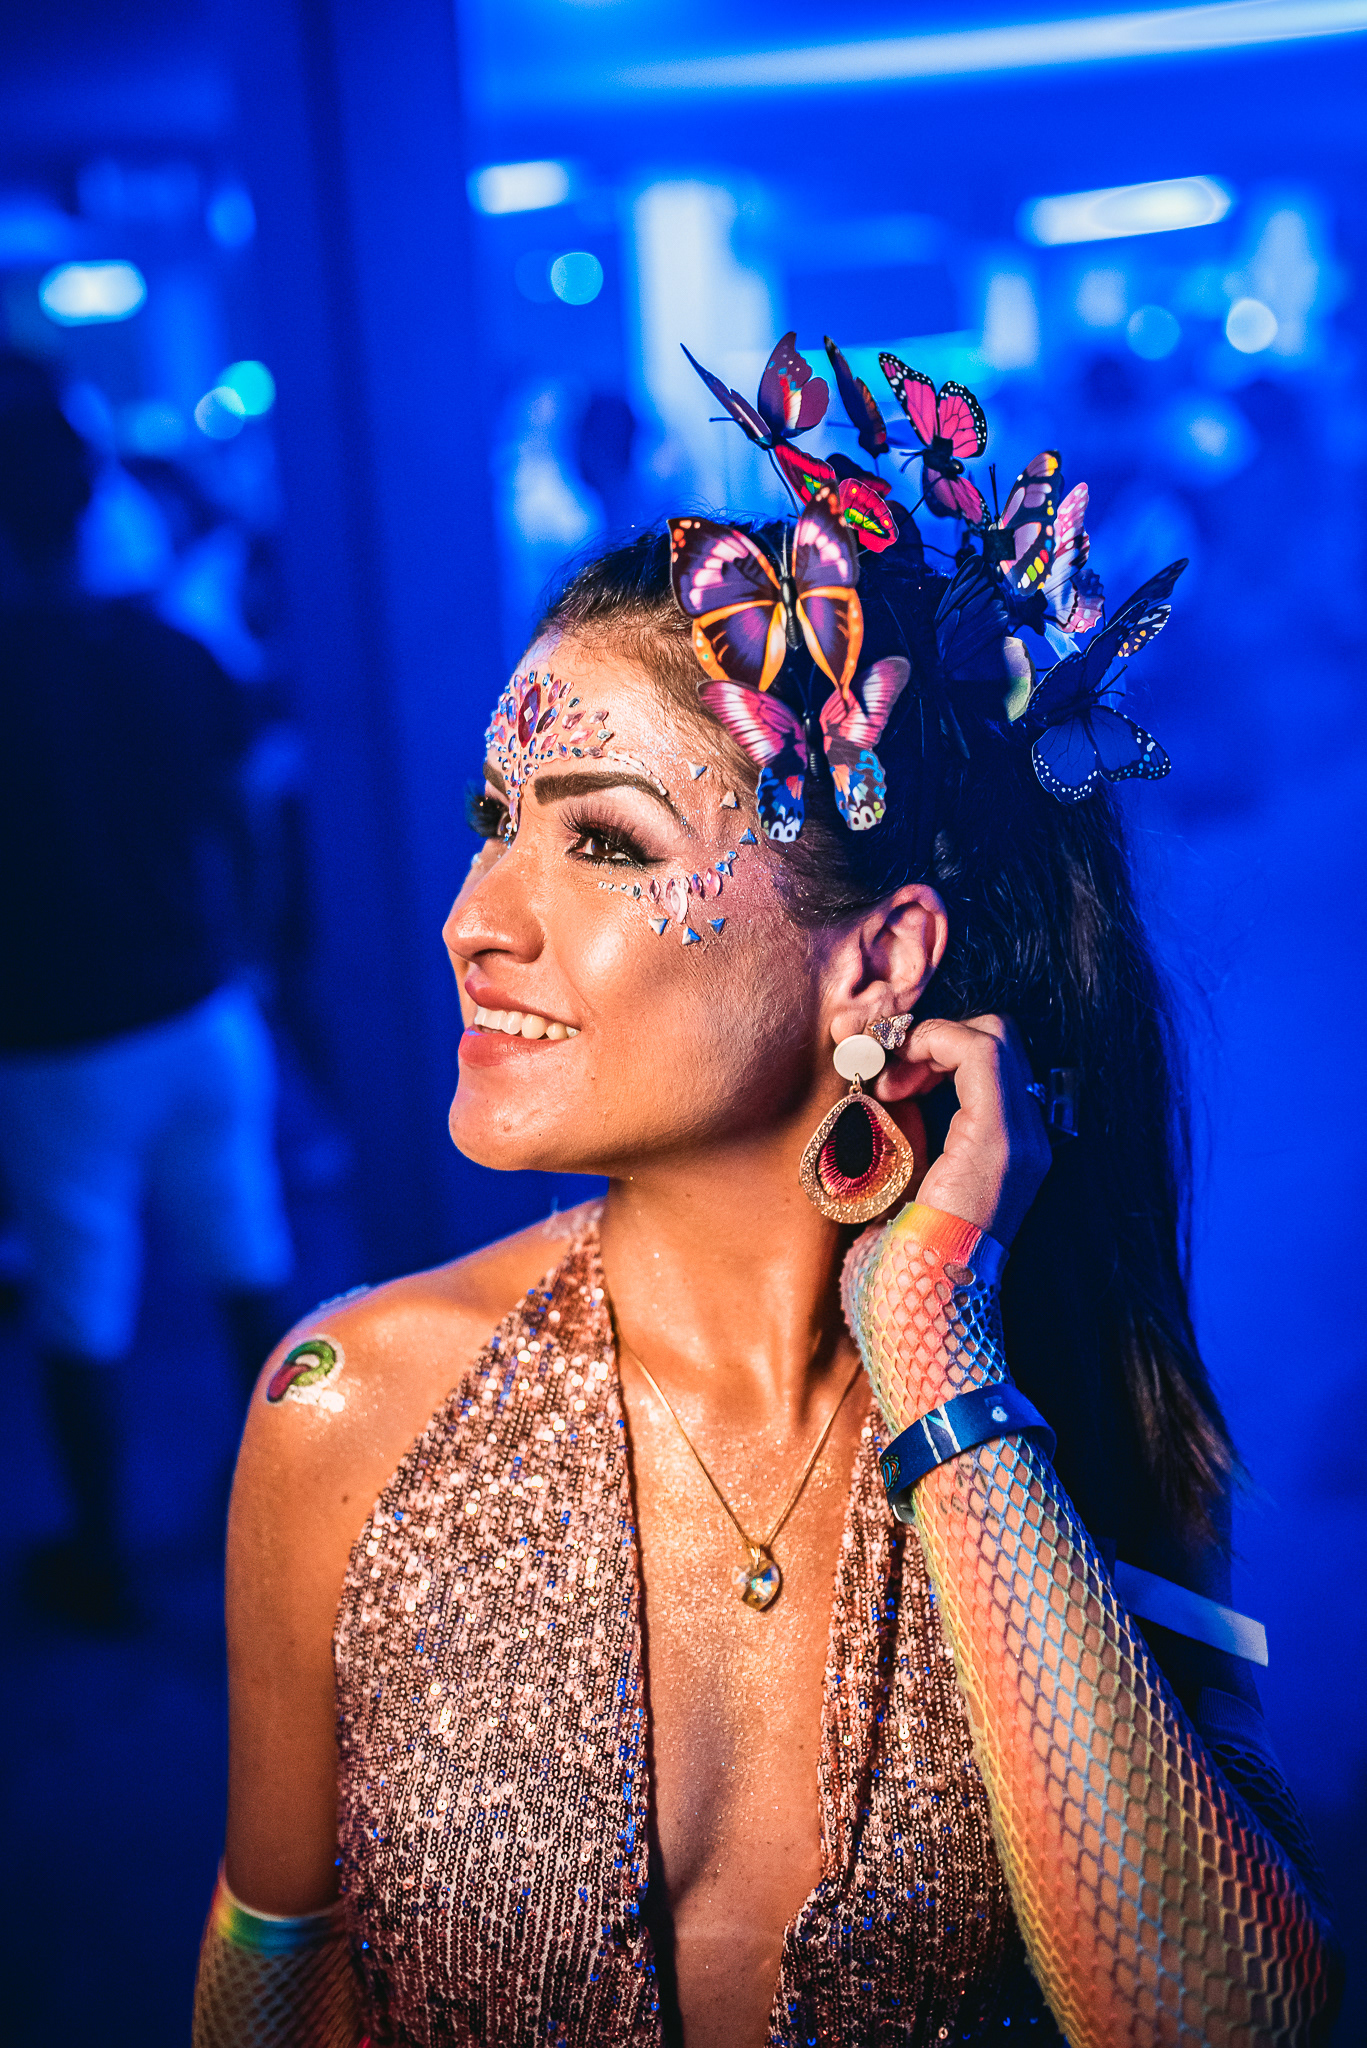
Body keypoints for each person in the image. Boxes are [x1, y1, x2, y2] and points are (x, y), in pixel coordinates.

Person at [195, 335, 1340, 2045]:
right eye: (495, 821)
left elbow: (1229, 2023)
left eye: (601, 841)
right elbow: (270, 1981)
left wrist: (934, 1357)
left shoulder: (1087, 1407)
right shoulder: (343, 1412)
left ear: (875, 960)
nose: (471, 919)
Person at [0, 356, 294, 1628]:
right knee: (249, 1262)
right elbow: (245, 816)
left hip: (59, 1040)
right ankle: (290, 1512)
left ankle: (104, 1559)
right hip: (203, 1005)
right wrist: (249, 949)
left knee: (81, 1297)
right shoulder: (170, 651)